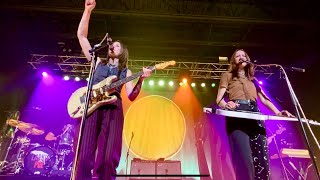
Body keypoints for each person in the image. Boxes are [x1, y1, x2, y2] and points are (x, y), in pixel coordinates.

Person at [75, 0, 152, 179]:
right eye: (112, 44)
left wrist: (141, 79)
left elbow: (131, 96)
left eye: (117, 45)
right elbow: (81, 36)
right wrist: (87, 11)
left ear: (123, 51)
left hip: (113, 110)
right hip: (91, 108)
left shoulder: (126, 71)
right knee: (85, 157)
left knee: (108, 158)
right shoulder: (97, 62)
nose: (113, 46)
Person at [215, 49, 294, 180]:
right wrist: (226, 105)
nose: (241, 57)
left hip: (255, 116)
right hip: (237, 115)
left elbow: (264, 99)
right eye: (237, 56)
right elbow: (219, 99)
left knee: (262, 162)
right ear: (233, 61)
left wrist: (278, 112)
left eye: (243, 55)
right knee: (245, 163)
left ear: (248, 59)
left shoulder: (254, 79)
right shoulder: (227, 75)